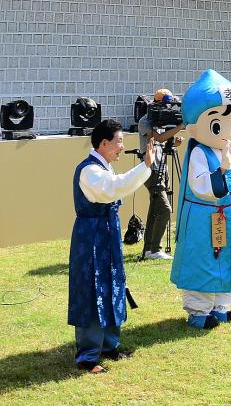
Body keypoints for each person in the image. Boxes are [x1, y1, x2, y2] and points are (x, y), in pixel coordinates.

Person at [171, 70, 231, 329]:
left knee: (228, 259)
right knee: (204, 259)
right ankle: (199, 310)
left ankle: (222, 306)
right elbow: (202, 187)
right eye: (218, 124)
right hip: (203, 217)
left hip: (229, 216)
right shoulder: (199, 152)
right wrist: (221, 171)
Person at [69, 120, 155, 373]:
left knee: (112, 283)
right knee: (92, 288)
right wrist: (145, 166)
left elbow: (117, 186)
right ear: (103, 143)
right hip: (91, 237)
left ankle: (108, 345)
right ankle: (87, 355)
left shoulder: (103, 168)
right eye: (118, 141)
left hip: (106, 234)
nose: (121, 147)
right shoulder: (89, 171)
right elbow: (113, 189)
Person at [137, 89, 184, 260]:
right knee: (165, 209)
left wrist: (175, 141)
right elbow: (160, 138)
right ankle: (155, 249)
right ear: (154, 103)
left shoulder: (163, 120)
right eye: (163, 104)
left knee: (156, 209)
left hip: (162, 168)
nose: (166, 108)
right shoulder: (145, 121)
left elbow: (164, 143)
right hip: (151, 170)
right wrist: (179, 128)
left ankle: (149, 248)